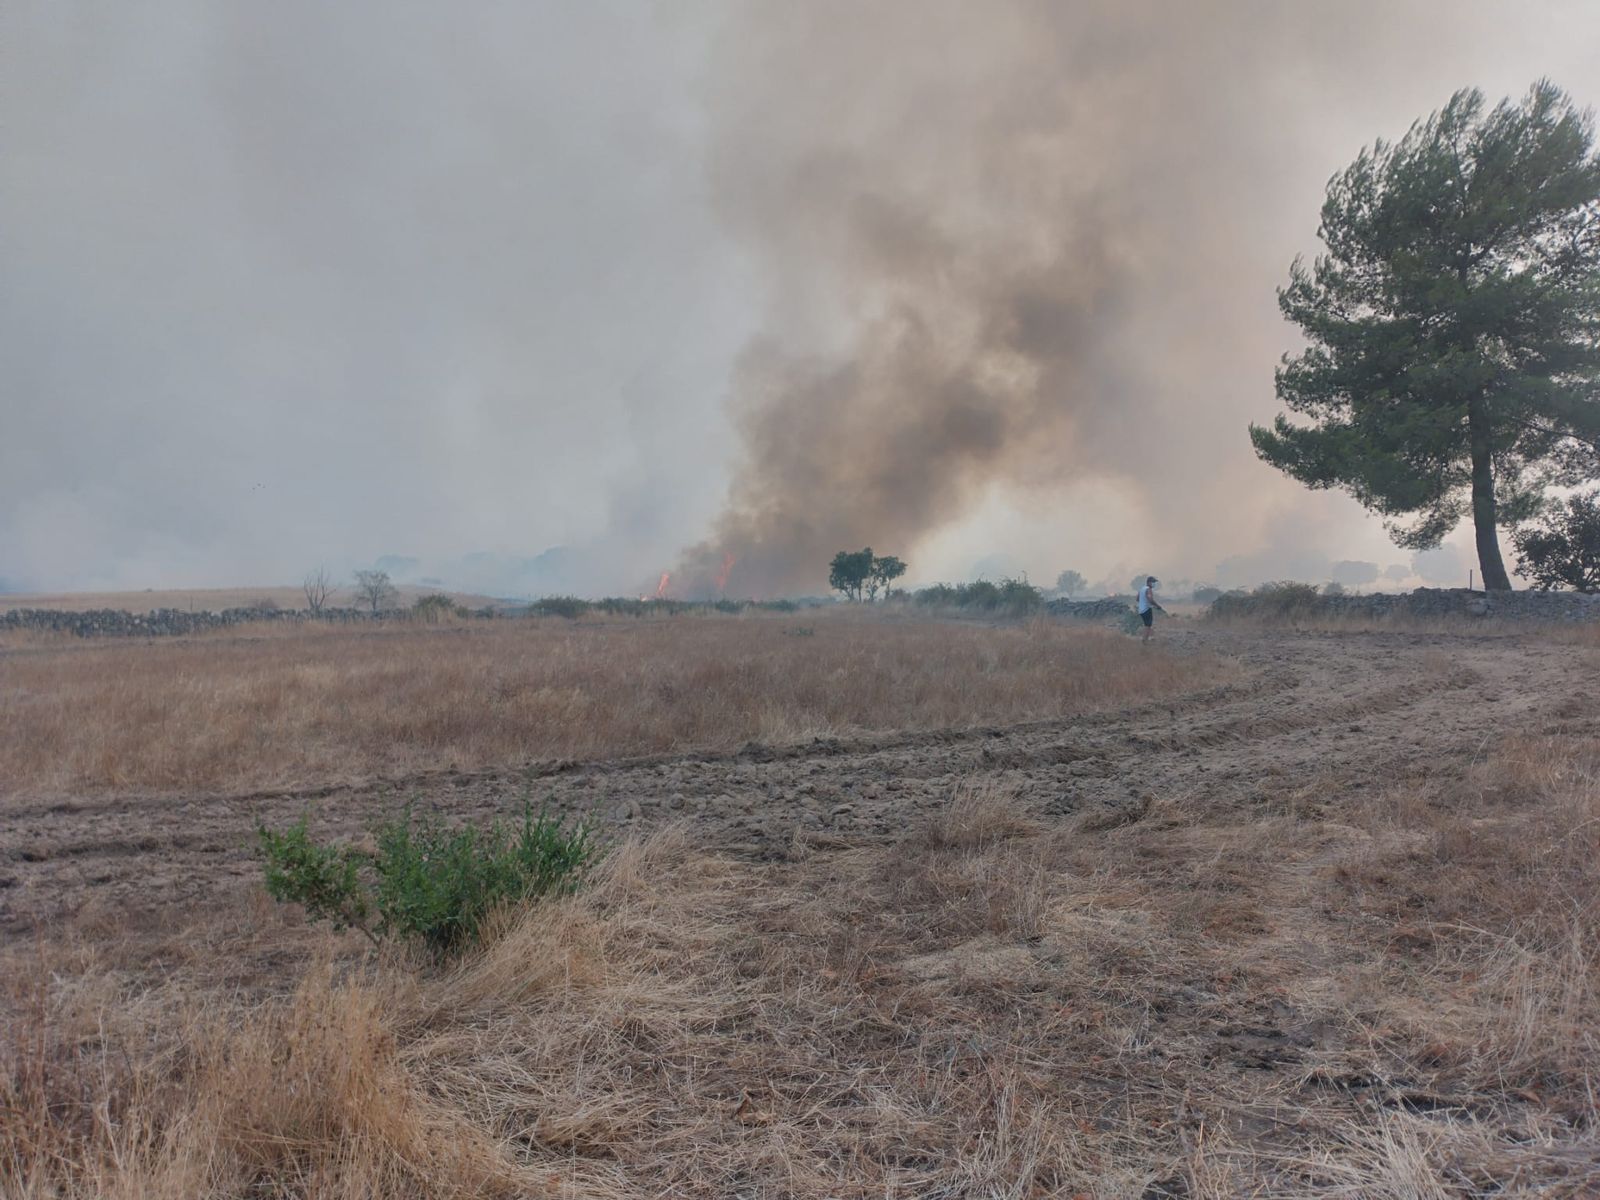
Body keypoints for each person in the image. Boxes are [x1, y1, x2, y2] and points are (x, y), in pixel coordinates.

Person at [1136, 576, 1164, 642]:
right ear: (1149, 582)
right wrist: (1157, 606)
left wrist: (1143, 602)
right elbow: (1150, 599)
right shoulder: (1148, 589)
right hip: (1146, 609)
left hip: (1141, 610)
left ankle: (1147, 638)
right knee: (1148, 625)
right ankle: (1144, 640)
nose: (1154, 584)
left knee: (1147, 624)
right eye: (1153, 582)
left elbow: (1137, 599)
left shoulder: (1142, 589)